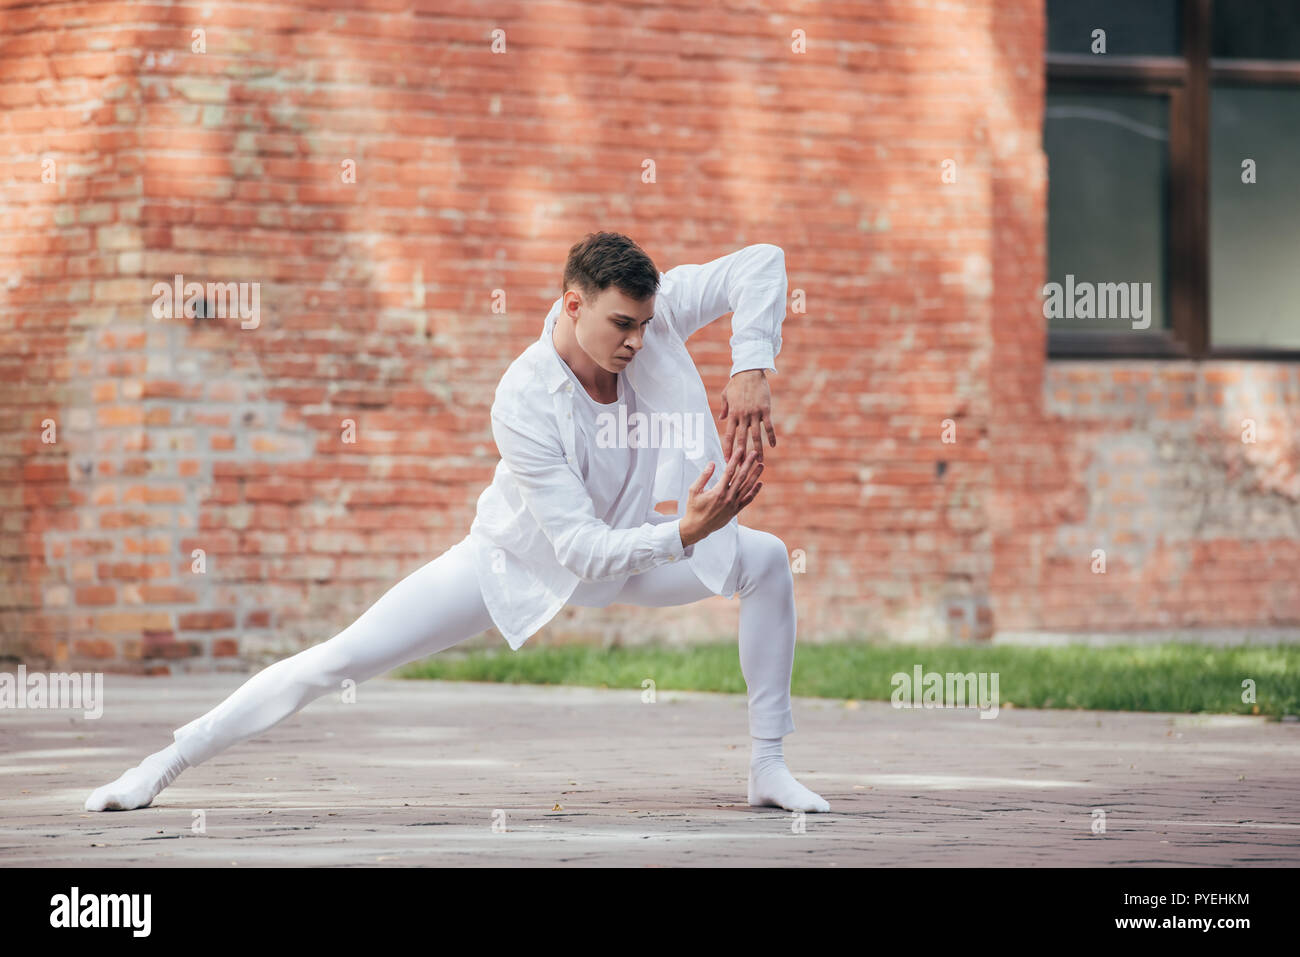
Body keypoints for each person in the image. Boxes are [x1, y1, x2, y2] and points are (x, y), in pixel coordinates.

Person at [84, 232, 830, 814]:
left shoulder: (653, 315)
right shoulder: (525, 397)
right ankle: (163, 764)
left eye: (645, 323)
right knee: (338, 659)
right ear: (572, 305)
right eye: (620, 324)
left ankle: (768, 767)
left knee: (765, 564)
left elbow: (761, 263)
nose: (637, 341)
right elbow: (575, 548)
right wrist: (687, 532)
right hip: (516, 562)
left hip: (641, 550)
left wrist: (750, 364)